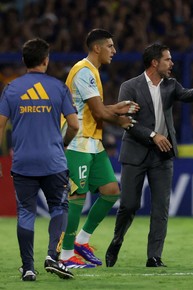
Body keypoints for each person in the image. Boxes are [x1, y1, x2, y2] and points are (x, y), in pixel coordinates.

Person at [105, 43, 193, 267]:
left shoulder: (170, 84)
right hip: (135, 152)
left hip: (162, 155)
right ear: (155, 63)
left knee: (161, 208)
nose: (172, 63)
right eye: (168, 59)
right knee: (129, 205)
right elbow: (127, 122)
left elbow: (185, 94)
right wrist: (153, 135)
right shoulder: (130, 86)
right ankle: (117, 240)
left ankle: (154, 256)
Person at [0, 38, 79, 281]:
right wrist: (63, 144)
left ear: (24, 61)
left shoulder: (11, 88)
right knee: (60, 206)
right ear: (46, 60)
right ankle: (52, 258)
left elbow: (0, 127)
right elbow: (74, 125)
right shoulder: (58, 88)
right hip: (53, 161)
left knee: (25, 211)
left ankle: (28, 268)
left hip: (23, 162)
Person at [59, 28, 139, 268]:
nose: (114, 51)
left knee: (111, 190)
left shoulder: (92, 72)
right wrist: (120, 117)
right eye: (110, 46)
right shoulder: (83, 71)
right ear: (97, 47)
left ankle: (82, 241)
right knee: (77, 195)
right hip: (77, 142)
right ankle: (65, 255)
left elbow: (98, 108)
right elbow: (98, 111)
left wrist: (117, 108)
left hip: (93, 141)